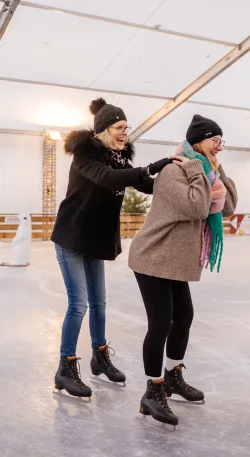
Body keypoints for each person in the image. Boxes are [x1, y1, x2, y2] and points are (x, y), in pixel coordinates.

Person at [50, 98, 173, 398]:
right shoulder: (86, 156)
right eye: (119, 128)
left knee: (100, 304)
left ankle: (99, 356)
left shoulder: (118, 158)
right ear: (104, 130)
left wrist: (174, 177)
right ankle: (65, 367)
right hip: (71, 238)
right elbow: (108, 179)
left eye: (126, 128)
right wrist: (149, 167)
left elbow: (144, 184)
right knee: (78, 304)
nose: (124, 133)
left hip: (94, 240)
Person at [128, 115, 238, 426]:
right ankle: (152, 392)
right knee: (161, 323)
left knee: (184, 316)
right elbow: (196, 207)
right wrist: (197, 168)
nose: (219, 146)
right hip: (153, 256)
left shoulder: (206, 173)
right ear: (197, 141)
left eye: (221, 141)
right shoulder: (174, 170)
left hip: (175, 260)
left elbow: (227, 208)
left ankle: (173, 377)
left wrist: (218, 171)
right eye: (214, 140)